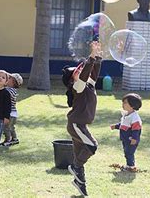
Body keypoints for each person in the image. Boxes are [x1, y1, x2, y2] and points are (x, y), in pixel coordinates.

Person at [62, 41, 102, 197]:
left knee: (82, 152)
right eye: (77, 70)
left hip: (80, 125)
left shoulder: (88, 86)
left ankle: (80, 184)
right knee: (92, 146)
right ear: (72, 79)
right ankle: (76, 167)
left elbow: (93, 74)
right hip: (76, 125)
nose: (80, 69)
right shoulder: (77, 87)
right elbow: (85, 74)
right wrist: (91, 58)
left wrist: (98, 57)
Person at [110, 93, 143, 172]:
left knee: (129, 153)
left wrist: (134, 138)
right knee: (126, 152)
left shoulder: (135, 118)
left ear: (132, 105)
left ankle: (131, 167)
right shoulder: (126, 115)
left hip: (131, 140)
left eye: (125, 103)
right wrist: (116, 126)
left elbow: (136, 129)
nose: (123, 104)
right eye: (123, 102)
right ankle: (129, 165)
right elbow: (123, 125)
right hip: (125, 139)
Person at [0, 73, 23, 147]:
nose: (7, 79)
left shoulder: (11, 90)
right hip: (12, 113)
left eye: (9, 78)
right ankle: (14, 139)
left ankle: (8, 140)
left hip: (10, 113)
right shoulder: (9, 89)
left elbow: (4, 93)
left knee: (6, 127)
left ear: (13, 82)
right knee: (11, 127)